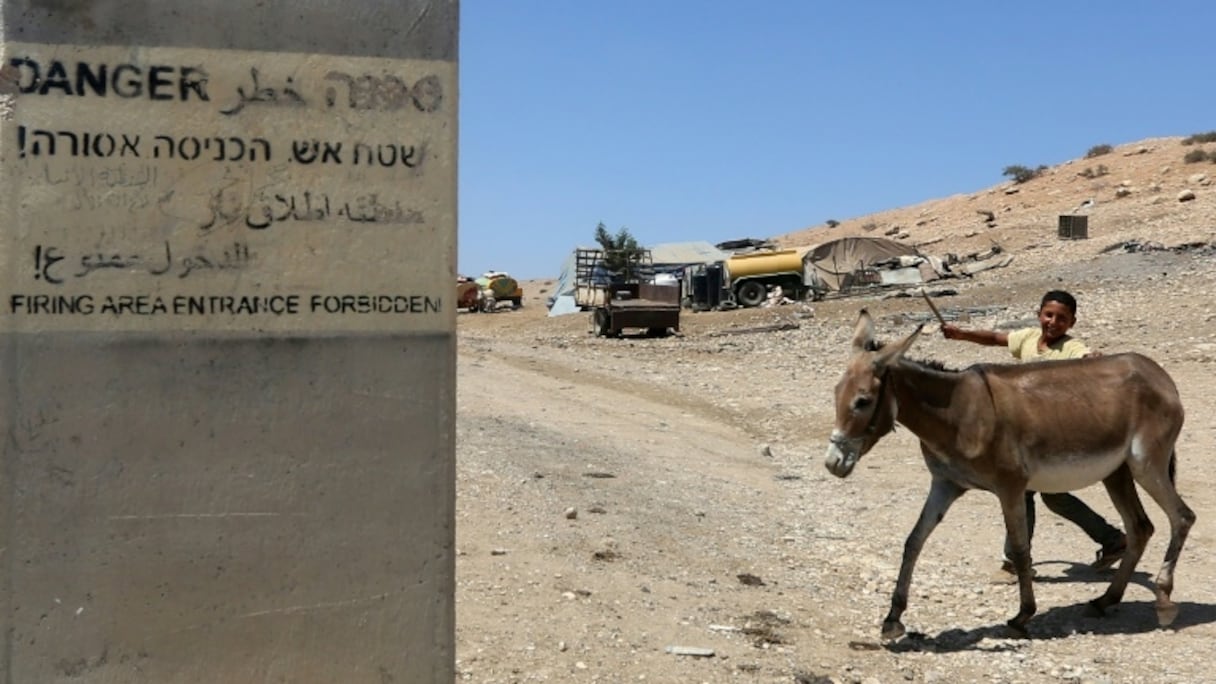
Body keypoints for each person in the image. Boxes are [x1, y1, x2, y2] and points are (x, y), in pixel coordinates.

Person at [940, 289, 1127, 577]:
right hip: (1025, 431)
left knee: (1023, 491)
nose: (1053, 322)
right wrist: (961, 334)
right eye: (1049, 315)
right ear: (1039, 314)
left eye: (1062, 318)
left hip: (1054, 432)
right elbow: (994, 339)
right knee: (1051, 496)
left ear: (1072, 323)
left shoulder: (1070, 348)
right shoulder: (1028, 338)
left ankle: (1015, 562)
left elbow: (1087, 357)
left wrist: (1095, 357)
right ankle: (1113, 540)